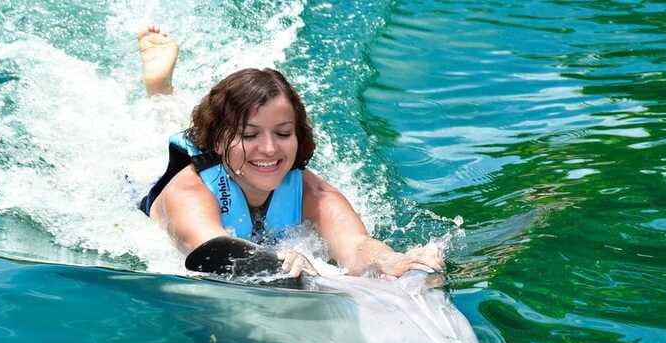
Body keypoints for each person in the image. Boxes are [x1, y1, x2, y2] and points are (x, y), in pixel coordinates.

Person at [136, 25, 444, 278]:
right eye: (249, 134)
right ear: (219, 141)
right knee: (160, 134)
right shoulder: (189, 191)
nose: (269, 148)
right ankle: (159, 88)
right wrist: (274, 263)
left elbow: (356, 246)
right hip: (142, 181)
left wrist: (390, 260)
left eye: (283, 133)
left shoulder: (312, 191)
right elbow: (208, 247)